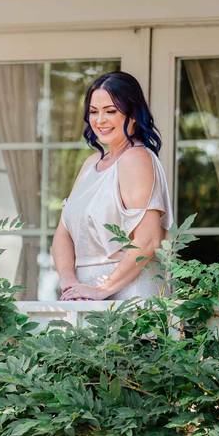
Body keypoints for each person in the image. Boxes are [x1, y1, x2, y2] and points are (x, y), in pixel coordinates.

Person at [51, 71, 172, 300]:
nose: (100, 120)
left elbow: (148, 240)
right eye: (94, 112)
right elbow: (62, 233)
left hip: (130, 296)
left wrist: (102, 289)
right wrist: (69, 283)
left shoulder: (136, 159)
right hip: (85, 298)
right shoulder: (90, 164)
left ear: (133, 114)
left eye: (110, 111)